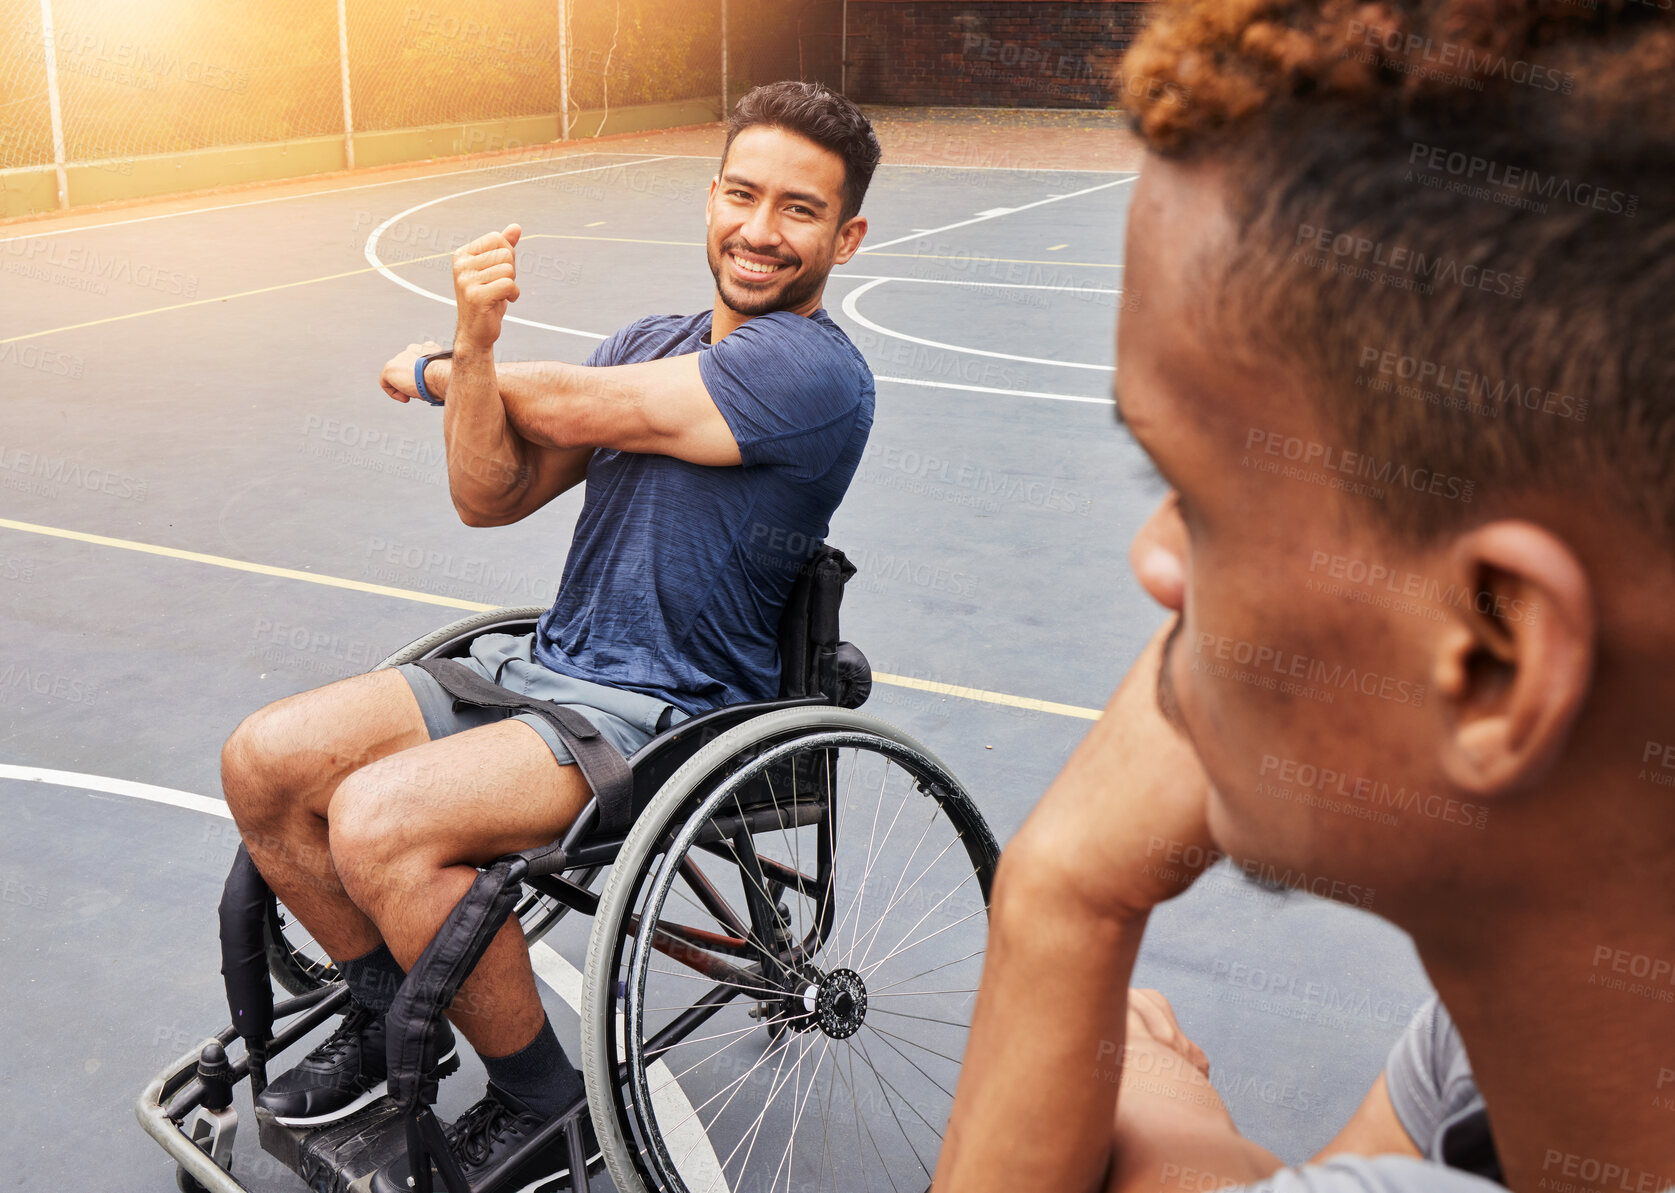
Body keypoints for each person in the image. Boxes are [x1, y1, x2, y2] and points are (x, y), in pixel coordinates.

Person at [935, 1, 1674, 1191]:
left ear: (1495, 652)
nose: (1153, 558)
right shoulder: (1494, 1054)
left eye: (1188, 493)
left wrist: (1060, 892)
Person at [219, 80, 879, 1193]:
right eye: (742, 193)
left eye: (800, 210)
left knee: (382, 823)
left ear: (845, 235)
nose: (761, 230)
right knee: (265, 760)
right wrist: (476, 345)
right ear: (711, 197)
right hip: (542, 672)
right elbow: (488, 494)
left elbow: (575, 405)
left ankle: (539, 1092)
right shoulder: (644, 342)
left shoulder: (813, 373)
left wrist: (443, 369)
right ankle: (386, 1011)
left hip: (666, 716)